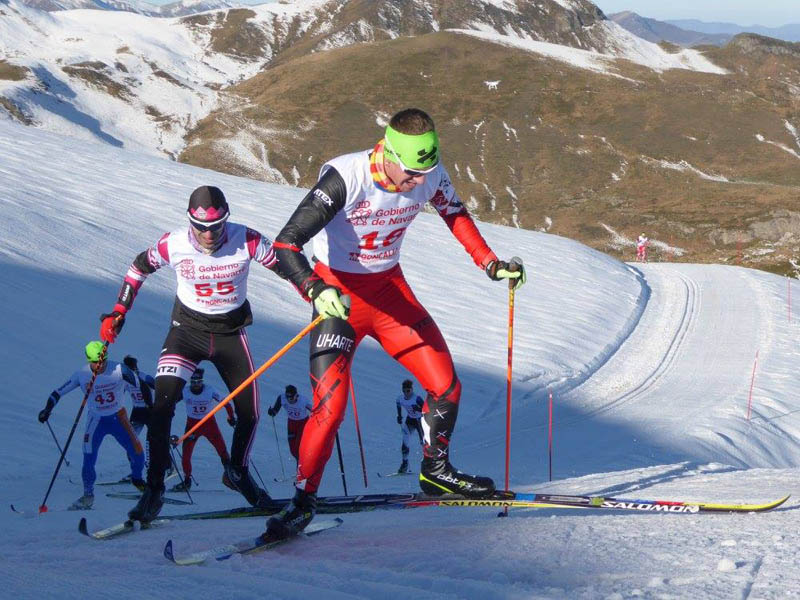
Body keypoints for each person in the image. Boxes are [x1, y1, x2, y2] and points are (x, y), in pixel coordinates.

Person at [267, 107, 526, 538]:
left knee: (446, 386)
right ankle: (301, 502)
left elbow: (454, 214)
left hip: (390, 293)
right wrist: (315, 289)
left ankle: (436, 471)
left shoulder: (430, 173)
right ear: (387, 151)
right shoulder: (346, 177)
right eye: (409, 174)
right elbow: (286, 243)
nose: (416, 184)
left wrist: (490, 263)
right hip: (340, 299)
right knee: (330, 411)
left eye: (422, 175)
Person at [99, 185, 286, 523]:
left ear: (227, 220)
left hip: (229, 335)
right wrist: (118, 310)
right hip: (186, 333)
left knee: (250, 414)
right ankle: (154, 491)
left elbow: (286, 265)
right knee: (161, 408)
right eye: (200, 227)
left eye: (216, 227)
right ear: (189, 223)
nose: (209, 235)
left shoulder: (248, 239)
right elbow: (138, 267)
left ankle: (237, 472)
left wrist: (317, 289)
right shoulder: (174, 243)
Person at [38, 341, 146, 509]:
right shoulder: (81, 374)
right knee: (88, 458)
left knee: (138, 452)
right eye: (96, 362)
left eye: (102, 361)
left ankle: (137, 479)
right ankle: (88, 495)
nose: (99, 365)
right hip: (96, 420)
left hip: (119, 417)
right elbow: (57, 393)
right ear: (89, 360)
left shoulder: (118, 368)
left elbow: (139, 383)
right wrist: (47, 409)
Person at [171, 368, 235, 492]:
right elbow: (170, 403)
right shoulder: (185, 391)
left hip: (210, 425)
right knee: (186, 455)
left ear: (202, 381)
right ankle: (187, 481)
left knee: (222, 450)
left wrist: (231, 417)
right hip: (192, 426)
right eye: (193, 382)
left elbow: (227, 403)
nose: (196, 385)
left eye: (198, 381)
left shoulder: (209, 390)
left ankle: (232, 478)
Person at [122, 355, 155, 479]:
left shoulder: (144, 376)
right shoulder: (125, 380)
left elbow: (159, 387)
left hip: (150, 411)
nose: (132, 371)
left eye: (133, 369)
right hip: (137, 412)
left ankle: (163, 467)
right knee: (130, 441)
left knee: (152, 442)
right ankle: (135, 471)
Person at [267, 384, 313, 462]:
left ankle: (301, 469)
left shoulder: (303, 401)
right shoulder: (282, 398)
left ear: (296, 395)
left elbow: (314, 411)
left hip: (303, 423)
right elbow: (275, 410)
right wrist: (272, 412)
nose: (289, 399)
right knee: (293, 450)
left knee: (298, 447)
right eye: (287, 397)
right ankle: (300, 466)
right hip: (291, 423)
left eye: (291, 397)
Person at [395, 379, 424, 474]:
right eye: (404, 391)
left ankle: (429, 465)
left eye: (408, 391)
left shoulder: (417, 398)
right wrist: (399, 416)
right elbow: (398, 405)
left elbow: (426, 410)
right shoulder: (400, 399)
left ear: (412, 390)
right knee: (405, 440)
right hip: (410, 420)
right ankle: (404, 464)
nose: (406, 393)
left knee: (423, 443)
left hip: (420, 420)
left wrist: (419, 408)